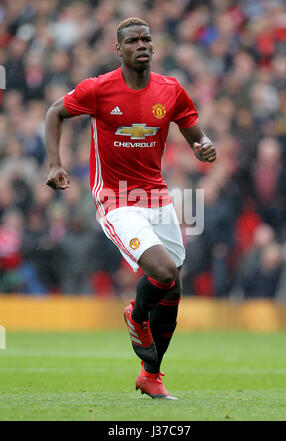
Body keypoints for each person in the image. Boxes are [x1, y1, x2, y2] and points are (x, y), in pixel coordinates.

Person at [45, 17, 216, 400]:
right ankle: (136, 316)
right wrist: (55, 163)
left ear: (153, 47)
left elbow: (193, 131)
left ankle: (150, 375)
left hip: (156, 195)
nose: (141, 45)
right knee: (162, 270)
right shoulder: (99, 89)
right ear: (118, 50)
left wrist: (203, 145)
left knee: (173, 287)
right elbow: (55, 111)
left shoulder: (170, 90)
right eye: (133, 40)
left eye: (146, 39)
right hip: (116, 198)